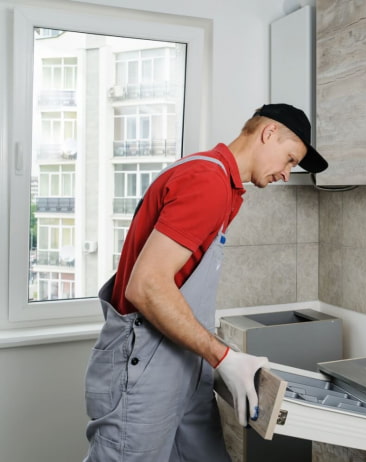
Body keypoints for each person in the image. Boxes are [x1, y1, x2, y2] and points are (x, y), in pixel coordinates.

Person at [83, 104, 328, 462]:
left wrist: (216, 352)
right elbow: (147, 286)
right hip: (147, 367)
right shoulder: (207, 181)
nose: (287, 174)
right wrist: (223, 356)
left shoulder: (223, 186)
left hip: (183, 361)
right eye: (290, 159)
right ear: (269, 133)